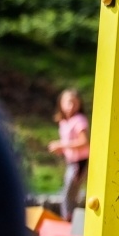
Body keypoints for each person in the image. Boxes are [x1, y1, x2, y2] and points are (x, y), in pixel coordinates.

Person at [48, 88, 90, 221]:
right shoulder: (64, 121)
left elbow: (83, 141)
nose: (72, 106)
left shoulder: (79, 120)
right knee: (68, 194)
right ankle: (69, 220)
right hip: (71, 162)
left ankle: (69, 221)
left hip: (80, 162)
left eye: (75, 103)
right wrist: (62, 149)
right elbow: (70, 143)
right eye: (69, 102)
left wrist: (62, 145)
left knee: (69, 195)